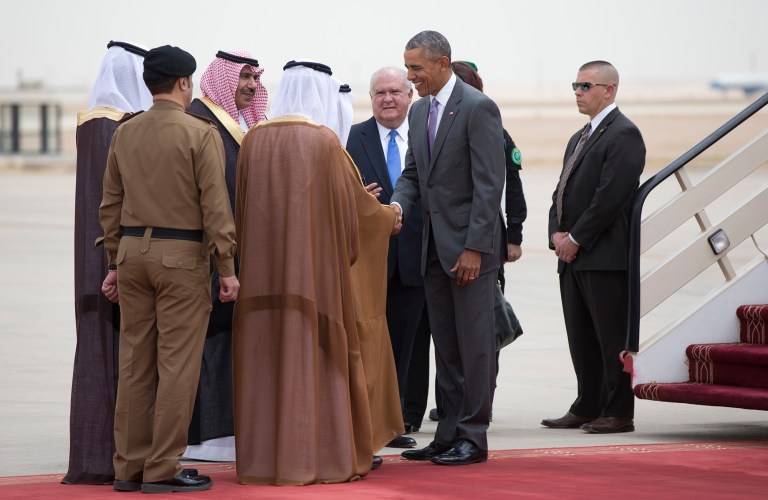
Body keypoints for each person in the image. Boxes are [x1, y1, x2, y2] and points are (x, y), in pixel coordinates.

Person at [232, 60, 401, 485]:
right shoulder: (325, 142)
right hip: (315, 280)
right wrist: (385, 218)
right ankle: (318, 456)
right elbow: (351, 218)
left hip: (263, 280)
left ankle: (267, 460)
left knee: (270, 363)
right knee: (318, 362)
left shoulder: (253, 139)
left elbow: (242, 206)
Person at [99, 45, 239, 494]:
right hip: (181, 259)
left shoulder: (126, 131)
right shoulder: (200, 133)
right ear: (184, 82)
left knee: (135, 364)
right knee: (177, 367)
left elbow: (110, 205)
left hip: (133, 256)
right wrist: (227, 267)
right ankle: (161, 469)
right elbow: (215, 207)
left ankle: (129, 468)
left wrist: (114, 260)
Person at [391, 30, 505, 466]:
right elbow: (413, 173)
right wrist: (397, 207)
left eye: (416, 68)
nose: (410, 76)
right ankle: (447, 435)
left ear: (442, 64)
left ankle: (473, 439)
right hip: (432, 252)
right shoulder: (419, 112)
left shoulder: (478, 108)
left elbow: (489, 184)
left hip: (469, 252)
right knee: (447, 346)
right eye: (407, 67)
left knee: (475, 347)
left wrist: (476, 248)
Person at [65, 40, 152, 486]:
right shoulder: (119, 128)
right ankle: (120, 457)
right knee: (125, 356)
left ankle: (102, 450)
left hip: (94, 257)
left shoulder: (90, 124)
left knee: (103, 351)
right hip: (118, 258)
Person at [541, 60, 645, 434]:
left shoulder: (624, 134)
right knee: (581, 337)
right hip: (571, 257)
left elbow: (610, 197)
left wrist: (576, 239)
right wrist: (555, 232)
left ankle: (618, 411)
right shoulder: (580, 136)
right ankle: (588, 404)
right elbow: (562, 191)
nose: (578, 92)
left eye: (586, 86)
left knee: (610, 338)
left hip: (603, 258)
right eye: (576, 85)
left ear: (609, 90)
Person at [428, 60, 528, 422]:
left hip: (482, 245)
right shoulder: (427, 116)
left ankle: (476, 416)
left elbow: (503, 188)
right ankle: (452, 420)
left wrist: (511, 237)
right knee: (451, 344)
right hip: (443, 250)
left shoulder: (486, 120)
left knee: (482, 338)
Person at [184, 49, 267, 463]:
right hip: (209, 261)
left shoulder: (229, 124)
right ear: (222, 78)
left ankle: (222, 432)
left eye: (255, 78)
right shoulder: (204, 124)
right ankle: (207, 438)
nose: (251, 86)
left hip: (230, 258)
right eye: (244, 77)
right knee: (208, 345)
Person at [345, 66, 428, 447]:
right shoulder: (352, 137)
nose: (388, 99)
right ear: (371, 98)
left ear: (410, 95)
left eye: (396, 91)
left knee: (410, 341)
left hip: (416, 256)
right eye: (380, 93)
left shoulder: (426, 135)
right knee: (371, 343)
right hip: (369, 260)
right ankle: (373, 416)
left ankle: (405, 419)